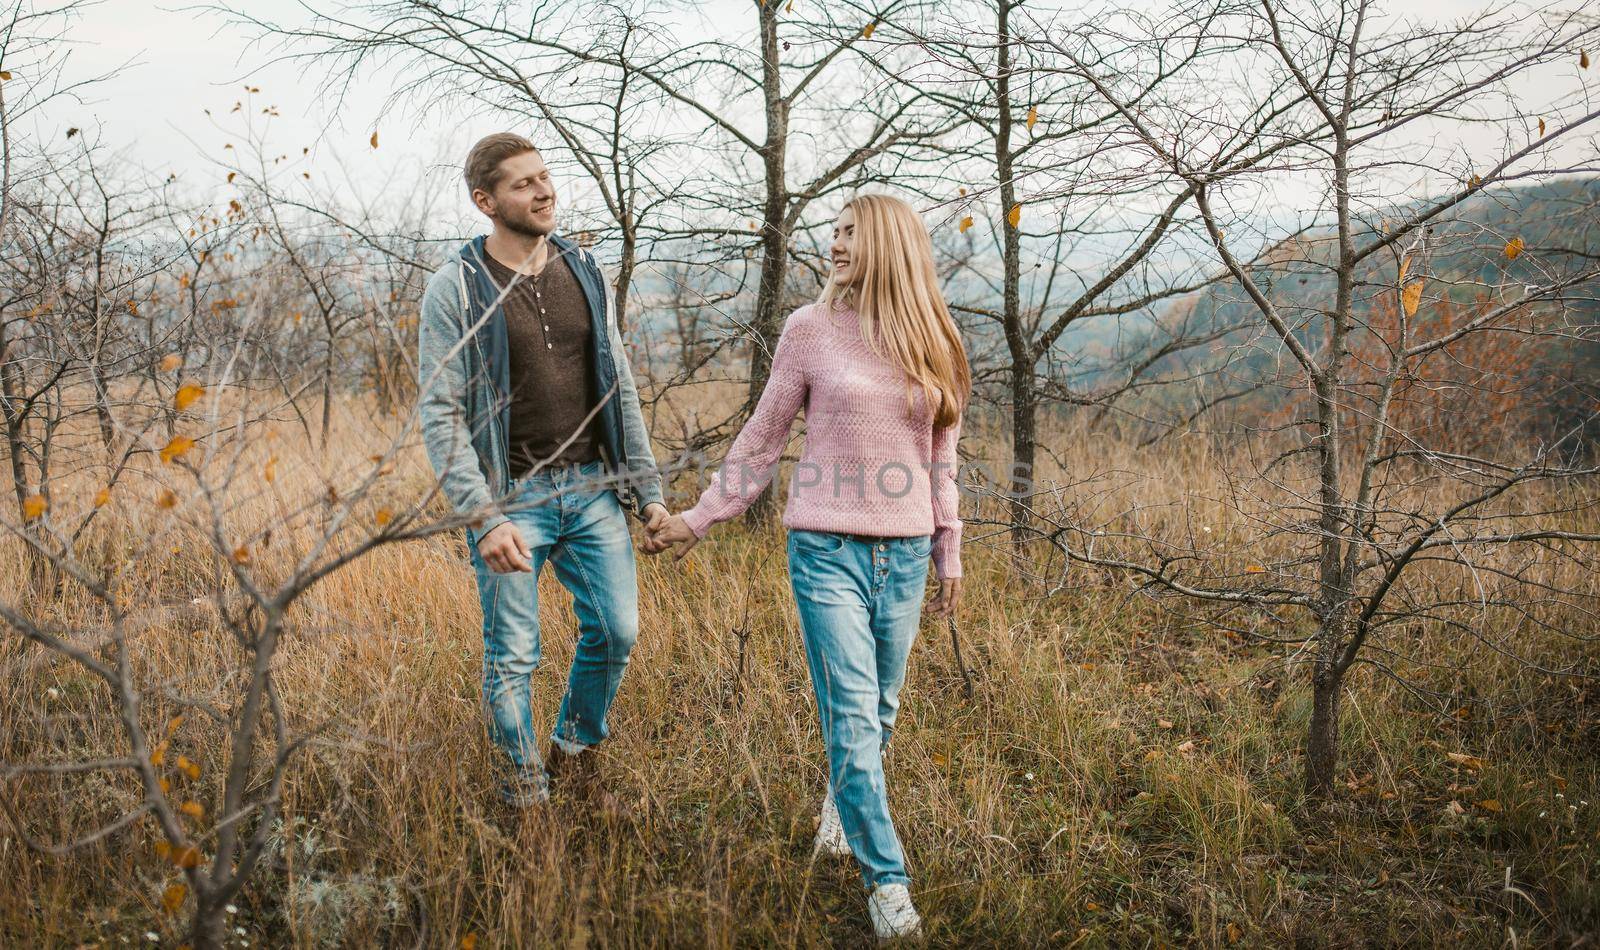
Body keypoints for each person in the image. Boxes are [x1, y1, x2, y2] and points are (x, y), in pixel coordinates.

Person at [651, 194, 969, 940]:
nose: (833, 241)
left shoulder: (938, 338)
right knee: (854, 720)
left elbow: (942, 461)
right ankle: (887, 885)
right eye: (832, 229)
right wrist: (701, 517)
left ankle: (842, 805)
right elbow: (762, 438)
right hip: (825, 550)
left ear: (886, 243)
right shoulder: (809, 329)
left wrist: (948, 549)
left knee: (879, 710)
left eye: (849, 232)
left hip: (905, 552)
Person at [416, 132, 670, 811]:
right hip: (512, 498)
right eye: (523, 183)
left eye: (544, 176)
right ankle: (524, 797)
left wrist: (646, 493)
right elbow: (438, 413)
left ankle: (575, 751)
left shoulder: (582, 268)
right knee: (513, 656)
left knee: (616, 631)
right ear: (485, 201)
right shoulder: (458, 288)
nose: (544, 189)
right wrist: (484, 515)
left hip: (590, 490)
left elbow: (620, 388)